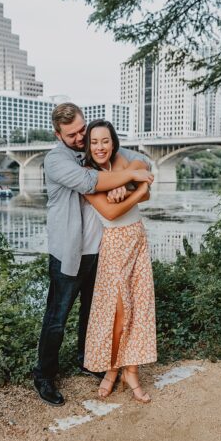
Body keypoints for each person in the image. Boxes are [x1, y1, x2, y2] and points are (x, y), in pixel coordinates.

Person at [33, 103, 155, 406]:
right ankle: (44, 376)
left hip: (102, 250)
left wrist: (125, 181)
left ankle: (87, 360)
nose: (79, 137)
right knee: (57, 317)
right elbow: (91, 182)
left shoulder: (96, 149)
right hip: (70, 252)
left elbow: (142, 161)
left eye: (82, 130)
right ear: (58, 134)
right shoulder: (56, 160)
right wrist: (130, 181)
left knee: (93, 313)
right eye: (71, 134)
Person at [80, 120, 156, 403]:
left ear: (113, 143)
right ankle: (112, 371)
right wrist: (136, 191)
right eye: (94, 142)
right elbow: (110, 213)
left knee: (140, 308)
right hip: (115, 246)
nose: (100, 147)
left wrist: (125, 184)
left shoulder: (121, 162)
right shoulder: (87, 175)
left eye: (105, 141)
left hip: (137, 239)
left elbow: (142, 167)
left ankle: (131, 372)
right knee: (118, 314)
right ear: (88, 145)